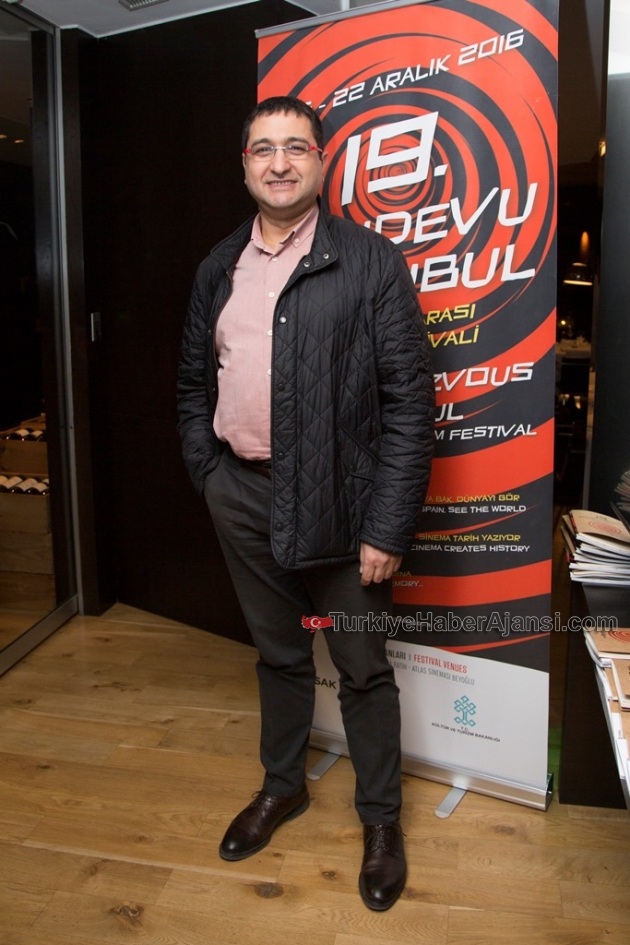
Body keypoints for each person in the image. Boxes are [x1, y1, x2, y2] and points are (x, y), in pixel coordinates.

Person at [177, 95, 434, 911]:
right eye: (264, 148)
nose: (279, 162)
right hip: (241, 495)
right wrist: (209, 473)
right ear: (245, 164)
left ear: (322, 162)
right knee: (280, 654)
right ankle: (282, 785)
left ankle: (381, 821)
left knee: (361, 667)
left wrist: (386, 526)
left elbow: (410, 406)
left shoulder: (371, 261)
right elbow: (193, 381)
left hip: (345, 509)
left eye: (296, 147)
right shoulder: (219, 265)